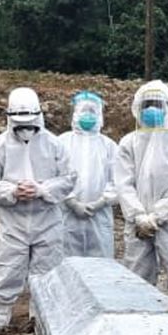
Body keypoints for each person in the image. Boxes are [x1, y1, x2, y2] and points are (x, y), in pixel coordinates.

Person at [0, 87, 76, 328]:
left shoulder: (54, 144)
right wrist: (12, 191)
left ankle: (40, 330)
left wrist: (42, 190)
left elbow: (69, 178)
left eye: (30, 125)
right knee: (5, 278)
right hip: (13, 225)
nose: (26, 131)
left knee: (46, 281)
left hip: (47, 223)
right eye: (20, 125)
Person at [114, 80, 168, 314]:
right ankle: (138, 320)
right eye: (147, 104)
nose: (152, 109)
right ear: (138, 108)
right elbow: (124, 185)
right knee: (136, 277)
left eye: (157, 104)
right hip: (138, 224)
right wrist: (139, 216)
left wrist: (158, 215)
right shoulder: (128, 143)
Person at [60, 91, 119, 257]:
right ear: (74, 113)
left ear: (100, 114)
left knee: (100, 266)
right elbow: (55, 176)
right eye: (83, 111)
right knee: (66, 265)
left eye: (92, 111)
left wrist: (100, 203)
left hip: (99, 217)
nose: (87, 115)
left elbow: (119, 180)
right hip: (66, 215)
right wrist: (71, 202)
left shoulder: (109, 146)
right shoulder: (61, 143)